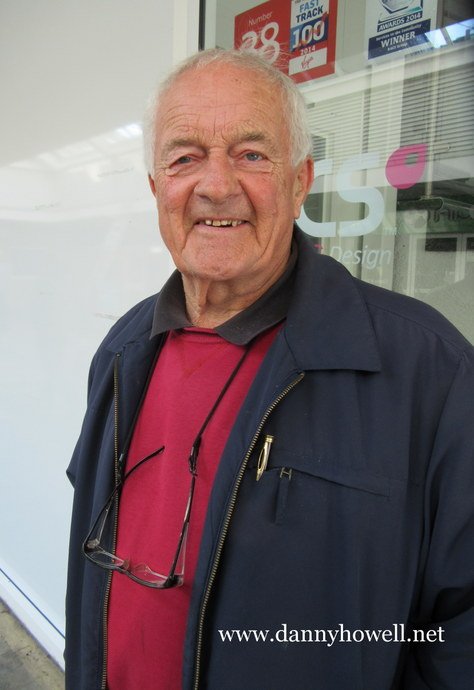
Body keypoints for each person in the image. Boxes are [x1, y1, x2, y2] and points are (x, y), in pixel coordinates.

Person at [65, 49, 474, 690]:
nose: (216, 185)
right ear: (156, 187)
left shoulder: (429, 371)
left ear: (300, 180)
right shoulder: (123, 349)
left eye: (252, 154)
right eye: (185, 157)